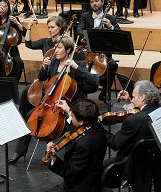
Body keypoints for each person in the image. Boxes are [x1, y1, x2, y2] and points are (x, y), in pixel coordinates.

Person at [8, 36, 99, 165]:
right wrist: (44, 67)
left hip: (71, 105)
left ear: (68, 50)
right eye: (55, 47)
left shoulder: (77, 64)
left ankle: (69, 160)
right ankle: (19, 152)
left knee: (70, 125)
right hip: (51, 102)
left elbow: (94, 82)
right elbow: (42, 78)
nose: (55, 51)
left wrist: (76, 68)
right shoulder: (54, 62)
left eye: (59, 48)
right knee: (30, 116)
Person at [107, 80, 161, 192]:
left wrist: (98, 130)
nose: (132, 98)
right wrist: (129, 103)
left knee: (101, 168)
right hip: (157, 161)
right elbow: (141, 118)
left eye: (133, 96)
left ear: (142, 98)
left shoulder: (134, 120)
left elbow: (116, 143)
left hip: (133, 164)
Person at [76, 0, 119, 103]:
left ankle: (105, 93)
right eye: (92, 2)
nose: (94, 3)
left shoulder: (110, 18)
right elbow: (79, 30)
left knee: (113, 65)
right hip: (88, 51)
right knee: (80, 63)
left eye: (96, 1)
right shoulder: (85, 16)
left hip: (103, 53)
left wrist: (110, 26)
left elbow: (120, 34)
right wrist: (90, 33)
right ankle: (82, 93)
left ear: (103, 2)